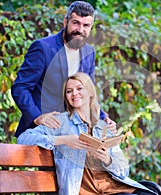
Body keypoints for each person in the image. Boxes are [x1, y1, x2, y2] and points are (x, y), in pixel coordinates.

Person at [17, 72, 157, 195]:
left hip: (113, 189)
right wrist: (63, 140)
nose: (74, 94)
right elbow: (24, 138)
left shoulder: (103, 127)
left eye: (79, 88)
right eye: (69, 91)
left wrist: (108, 160)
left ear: (90, 92)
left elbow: (124, 171)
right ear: (66, 97)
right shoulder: (60, 122)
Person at [11, 1, 115, 138]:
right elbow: (20, 87)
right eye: (76, 23)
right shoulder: (43, 48)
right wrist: (37, 117)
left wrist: (104, 119)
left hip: (73, 135)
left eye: (86, 25)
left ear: (91, 27)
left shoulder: (89, 53)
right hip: (40, 133)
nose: (80, 29)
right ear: (65, 22)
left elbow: (88, 94)